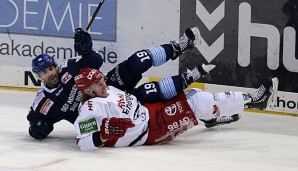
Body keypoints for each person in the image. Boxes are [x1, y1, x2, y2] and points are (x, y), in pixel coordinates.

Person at [27, 26, 202, 140]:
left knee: (136, 61)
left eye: (51, 68)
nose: (50, 73)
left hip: (108, 85)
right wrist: (38, 129)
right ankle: (187, 81)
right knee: (147, 93)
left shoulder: (69, 67)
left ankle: (178, 47)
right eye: (44, 72)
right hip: (106, 110)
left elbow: (96, 62)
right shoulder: (42, 102)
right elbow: (35, 123)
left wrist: (87, 51)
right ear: (38, 77)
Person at [73, 67, 279, 151]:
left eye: (102, 79)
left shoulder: (108, 89)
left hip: (151, 113)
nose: (103, 84)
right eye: (97, 84)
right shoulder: (90, 108)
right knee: (199, 102)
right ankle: (254, 100)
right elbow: (82, 141)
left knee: (192, 95)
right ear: (87, 90)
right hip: (150, 131)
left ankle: (212, 118)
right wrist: (101, 136)